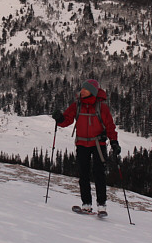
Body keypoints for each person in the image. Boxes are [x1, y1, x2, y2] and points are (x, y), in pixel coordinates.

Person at [52, 79, 121, 217]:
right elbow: (67, 120)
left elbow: (110, 126)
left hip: (98, 144)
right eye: (82, 89)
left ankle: (101, 206)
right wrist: (59, 119)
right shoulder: (77, 105)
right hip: (82, 144)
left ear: (93, 92)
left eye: (85, 89)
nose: (82, 91)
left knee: (99, 174)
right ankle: (87, 205)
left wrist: (114, 142)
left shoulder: (102, 107)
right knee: (83, 174)